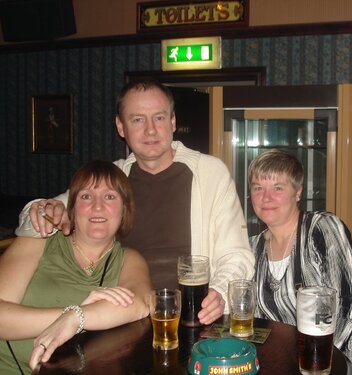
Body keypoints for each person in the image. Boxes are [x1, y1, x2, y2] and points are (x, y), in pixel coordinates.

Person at [15, 79, 254, 325]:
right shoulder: (111, 181)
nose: (150, 130)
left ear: (173, 122)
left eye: (159, 118)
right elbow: (33, 218)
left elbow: (236, 254)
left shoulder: (210, 173)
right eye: (138, 119)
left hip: (195, 316)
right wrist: (43, 209)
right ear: (121, 127)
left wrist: (219, 293)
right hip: (121, 316)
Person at [0, 160, 151, 374]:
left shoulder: (129, 259)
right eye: (86, 196)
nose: (98, 206)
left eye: (109, 196)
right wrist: (70, 317)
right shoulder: (39, 239)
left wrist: (75, 318)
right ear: (71, 207)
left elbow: (141, 304)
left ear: (124, 209)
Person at [248, 150, 352, 375]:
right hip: (283, 365)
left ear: (298, 192)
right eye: (258, 188)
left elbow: (343, 314)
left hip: (343, 362)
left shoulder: (322, 229)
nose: (266, 197)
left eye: (278, 188)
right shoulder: (252, 247)